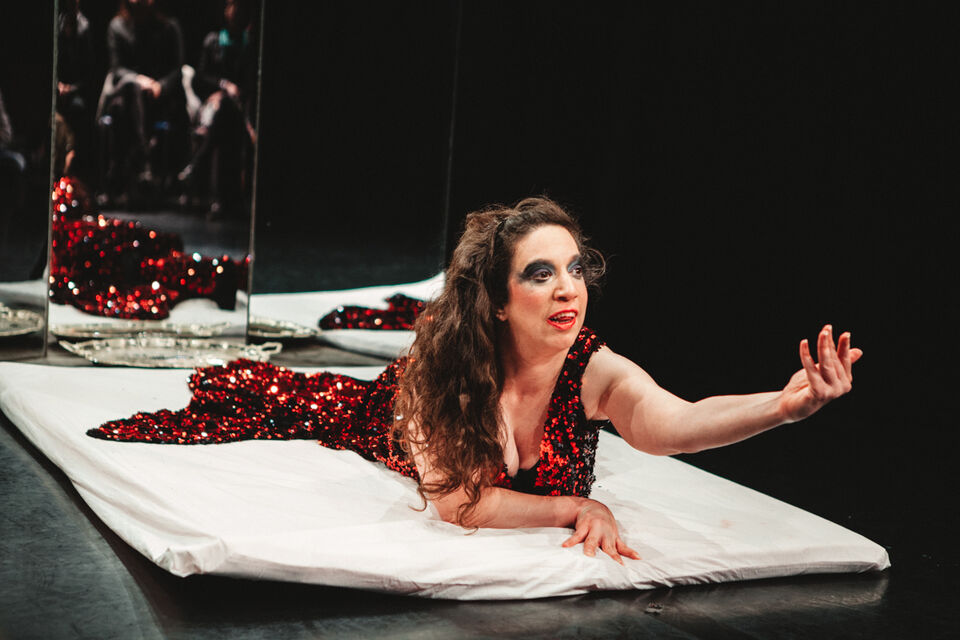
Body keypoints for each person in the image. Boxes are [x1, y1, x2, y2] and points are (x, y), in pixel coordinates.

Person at [89, 197, 860, 565]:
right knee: (280, 398)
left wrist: (785, 407)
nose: (568, 289)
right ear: (496, 298)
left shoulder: (593, 366)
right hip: (379, 414)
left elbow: (674, 421)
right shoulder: (440, 371)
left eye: (575, 269)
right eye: (540, 273)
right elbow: (458, 504)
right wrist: (575, 503)